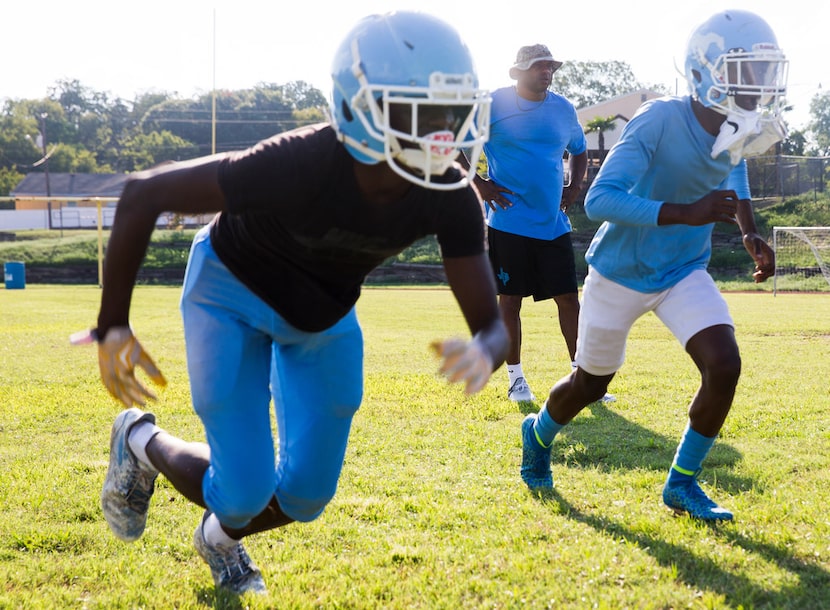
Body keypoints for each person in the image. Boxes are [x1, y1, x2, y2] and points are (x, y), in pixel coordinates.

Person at [83, 11, 508, 596]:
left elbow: (492, 325)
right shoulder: (300, 161)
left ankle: (219, 537)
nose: (441, 135)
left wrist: (486, 349)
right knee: (244, 490)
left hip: (321, 313)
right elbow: (143, 195)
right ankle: (138, 439)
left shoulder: (450, 196)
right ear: (359, 107)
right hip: (230, 292)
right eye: (419, 114)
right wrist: (112, 325)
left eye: (451, 115)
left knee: (306, 495)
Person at [519, 9, 787, 522]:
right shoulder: (660, 118)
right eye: (747, 70)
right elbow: (599, 200)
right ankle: (537, 434)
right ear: (705, 71)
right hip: (620, 272)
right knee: (590, 384)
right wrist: (686, 212)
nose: (759, 85)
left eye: (765, 71)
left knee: (724, 364)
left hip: (684, 269)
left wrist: (750, 232)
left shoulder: (738, 126)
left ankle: (682, 485)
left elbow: (737, 173)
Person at [462, 44, 612, 404]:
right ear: (518, 72)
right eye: (538, 66)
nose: (547, 72)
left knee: (568, 300)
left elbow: (578, 150)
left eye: (550, 66)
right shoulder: (492, 105)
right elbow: (457, 145)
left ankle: (582, 379)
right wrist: (480, 184)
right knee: (510, 300)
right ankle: (516, 379)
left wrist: (575, 185)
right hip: (509, 221)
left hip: (553, 223)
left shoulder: (563, 108)